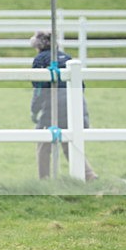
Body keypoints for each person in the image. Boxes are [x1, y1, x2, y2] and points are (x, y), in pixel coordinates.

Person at [30, 30, 98, 180]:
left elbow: (39, 89)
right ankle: (88, 175)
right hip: (77, 102)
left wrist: (34, 110)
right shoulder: (66, 57)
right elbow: (80, 84)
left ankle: (44, 179)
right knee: (71, 139)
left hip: (54, 104)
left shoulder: (40, 60)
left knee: (43, 141)